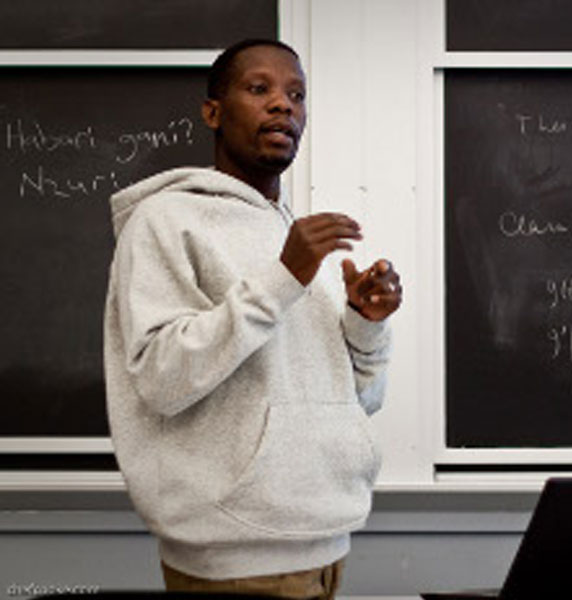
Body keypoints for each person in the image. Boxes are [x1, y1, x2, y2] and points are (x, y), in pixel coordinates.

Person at [103, 38, 402, 598]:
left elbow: (360, 399)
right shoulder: (166, 221)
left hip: (327, 540)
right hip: (235, 555)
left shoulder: (292, 235)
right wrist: (284, 277)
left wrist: (365, 324)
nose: (283, 105)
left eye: (296, 94)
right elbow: (162, 378)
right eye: (259, 88)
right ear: (213, 112)